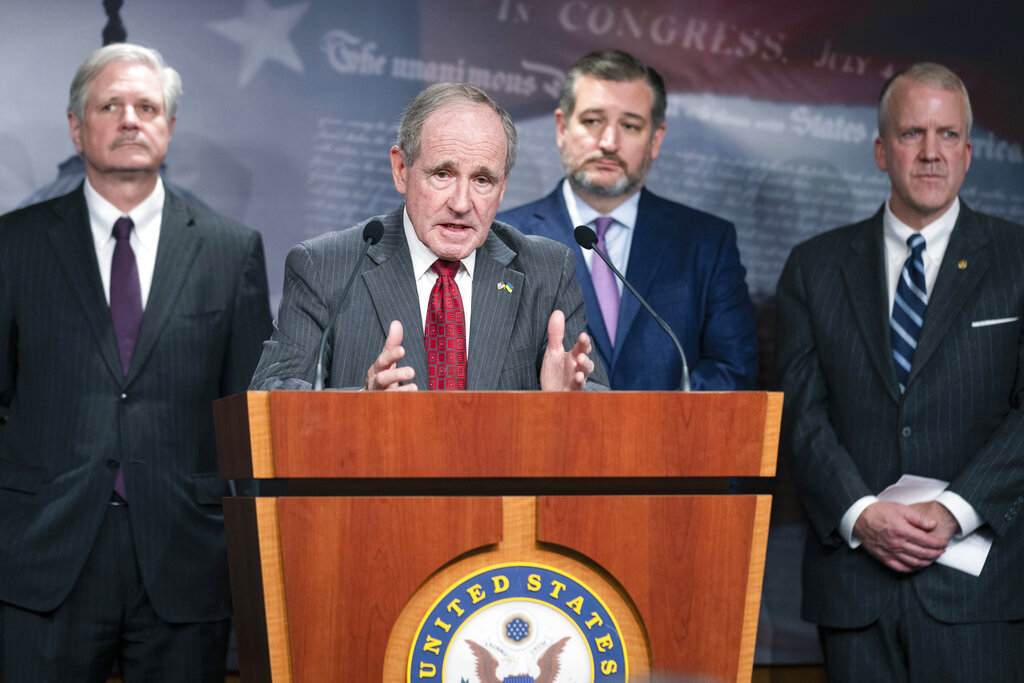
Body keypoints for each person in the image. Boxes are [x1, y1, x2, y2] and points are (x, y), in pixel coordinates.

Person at [0, 43, 272, 681]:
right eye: (110, 105)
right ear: (76, 125)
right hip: (42, 555)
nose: (130, 119)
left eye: (147, 106)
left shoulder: (232, 253)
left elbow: (249, 417)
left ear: (169, 128)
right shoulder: (12, 245)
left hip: (185, 559)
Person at [776, 62, 1024, 681]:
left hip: (982, 594)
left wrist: (955, 511)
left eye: (947, 136)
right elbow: (800, 415)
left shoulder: (1018, 261)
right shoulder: (813, 267)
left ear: (968, 154)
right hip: (857, 591)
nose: (931, 153)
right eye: (913, 134)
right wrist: (860, 513)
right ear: (883, 151)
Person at [250, 82, 605, 392]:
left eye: (482, 180)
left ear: (502, 188)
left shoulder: (545, 270)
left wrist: (565, 405)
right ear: (401, 170)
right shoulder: (326, 266)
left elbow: (597, 399)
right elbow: (272, 395)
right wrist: (359, 405)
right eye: (442, 174)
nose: (462, 203)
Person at [498, 49, 757, 390]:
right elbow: (488, 370)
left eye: (630, 126)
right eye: (592, 121)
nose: (609, 142)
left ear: (655, 140)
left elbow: (732, 372)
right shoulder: (503, 238)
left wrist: (643, 431)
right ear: (562, 128)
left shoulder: (707, 243)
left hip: (669, 442)